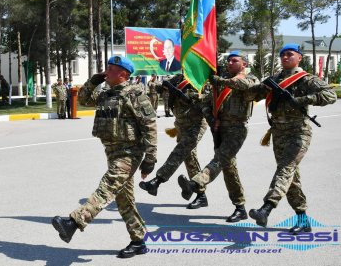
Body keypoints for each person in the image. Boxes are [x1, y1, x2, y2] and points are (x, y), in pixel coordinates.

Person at [52, 55, 158, 258]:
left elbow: (150, 126)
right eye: (107, 67)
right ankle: (138, 241)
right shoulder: (106, 93)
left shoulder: (134, 93)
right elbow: (83, 99)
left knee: (106, 187)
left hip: (129, 152)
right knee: (124, 199)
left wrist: (150, 159)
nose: (106, 71)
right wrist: (95, 79)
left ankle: (74, 222)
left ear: (123, 74)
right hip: (111, 152)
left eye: (111, 68)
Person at [247, 43, 336, 233]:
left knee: (285, 169)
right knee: (290, 178)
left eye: (290, 54)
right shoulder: (274, 79)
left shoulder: (306, 79)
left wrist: (302, 100)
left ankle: (266, 208)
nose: (285, 58)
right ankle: (303, 220)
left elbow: (330, 95)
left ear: (299, 58)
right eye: (283, 55)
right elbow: (254, 94)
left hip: (298, 133)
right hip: (278, 133)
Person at [178, 51, 258, 223]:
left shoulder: (250, 78)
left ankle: (195, 184)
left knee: (220, 160)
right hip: (220, 128)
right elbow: (206, 102)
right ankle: (240, 207)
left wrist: (221, 81)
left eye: (235, 60)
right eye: (228, 60)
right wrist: (212, 118)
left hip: (237, 130)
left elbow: (246, 87)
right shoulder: (219, 82)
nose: (230, 63)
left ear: (244, 64)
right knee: (229, 170)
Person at [139, 73, 209, 209]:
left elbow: (207, 99)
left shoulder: (201, 79)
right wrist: (165, 86)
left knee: (180, 152)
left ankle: (156, 181)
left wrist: (188, 96)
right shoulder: (178, 78)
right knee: (189, 157)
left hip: (196, 125)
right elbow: (161, 88)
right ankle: (201, 195)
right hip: (181, 124)